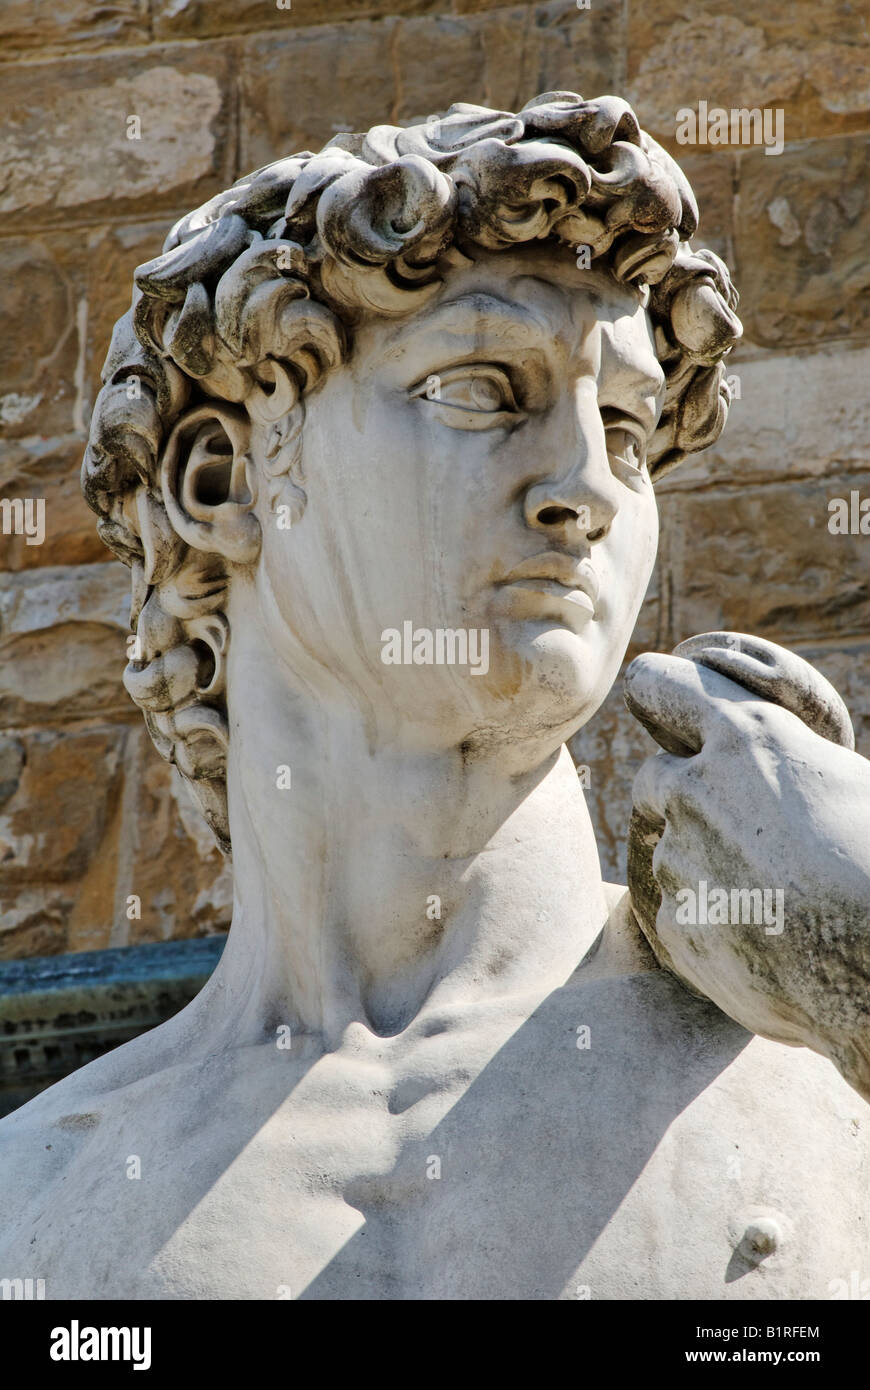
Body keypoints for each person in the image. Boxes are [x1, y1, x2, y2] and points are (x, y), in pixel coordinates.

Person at [1, 93, 868, 1300]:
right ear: (227, 476)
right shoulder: (34, 1207)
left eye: (624, 426)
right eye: (483, 391)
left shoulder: (818, 1059)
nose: (583, 487)